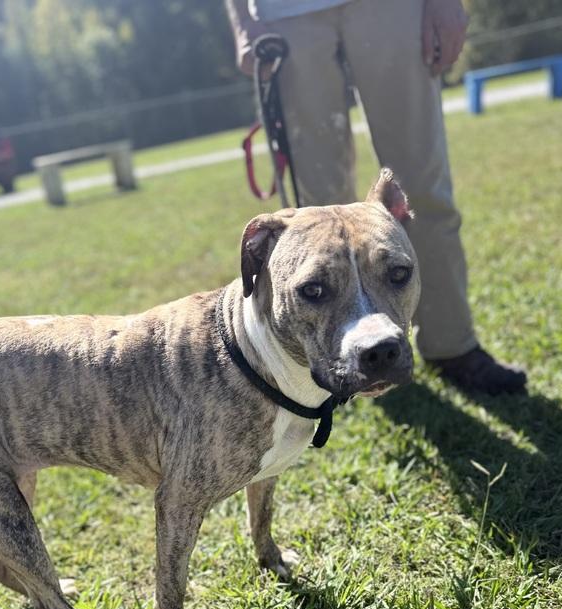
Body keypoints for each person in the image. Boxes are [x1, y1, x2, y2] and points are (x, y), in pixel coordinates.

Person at [225, 0, 527, 394]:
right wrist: (243, 20)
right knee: (315, 218)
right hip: (285, 18)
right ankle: (343, 358)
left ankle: (452, 346)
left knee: (420, 193)